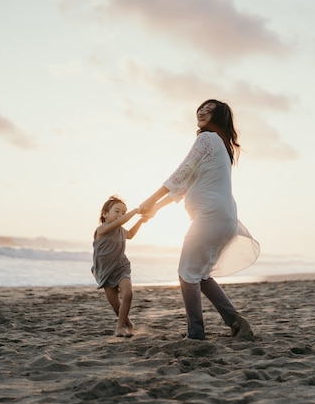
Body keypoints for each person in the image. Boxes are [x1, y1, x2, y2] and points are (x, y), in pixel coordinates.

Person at [139, 99, 260, 340]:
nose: (202, 112)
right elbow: (184, 184)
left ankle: (195, 334)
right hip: (223, 218)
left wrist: (150, 200)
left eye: (209, 110)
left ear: (219, 117)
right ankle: (236, 322)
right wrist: (156, 209)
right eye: (201, 109)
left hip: (211, 217)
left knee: (187, 273)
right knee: (201, 276)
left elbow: (181, 171)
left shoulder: (207, 139)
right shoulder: (220, 145)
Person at [92, 195, 146, 337]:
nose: (120, 215)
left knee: (128, 293)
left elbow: (130, 234)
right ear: (105, 214)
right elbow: (118, 223)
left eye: (123, 213)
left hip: (121, 268)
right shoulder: (101, 230)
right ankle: (129, 324)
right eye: (117, 211)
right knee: (116, 306)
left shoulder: (121, 231)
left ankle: (120, 328)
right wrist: (134, 211)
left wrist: (140, 220)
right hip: (105, 272)